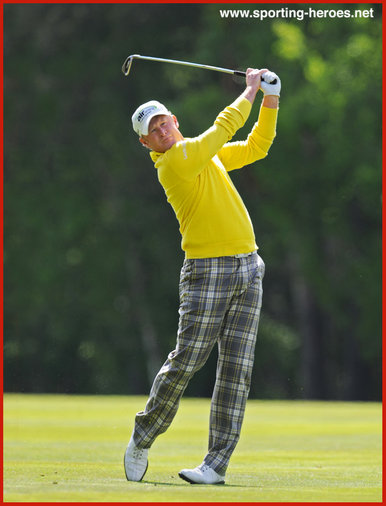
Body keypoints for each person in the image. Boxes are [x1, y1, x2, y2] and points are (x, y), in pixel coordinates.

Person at [124, 68, 280, 485]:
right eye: (152, 131)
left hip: (249, 265)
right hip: (207, 270)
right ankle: (144, 434)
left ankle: (216, 464)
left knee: (237, 368)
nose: (161, 131)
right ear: (146, 144)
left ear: (174, 119)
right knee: (188, 359)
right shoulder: (175, 162)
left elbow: (258, 147)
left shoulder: (200, 154)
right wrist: (249, 90)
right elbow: (222, 128)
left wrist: (270, 101)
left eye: (163, 122)